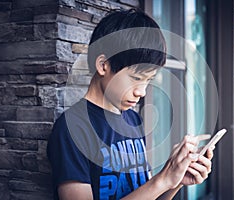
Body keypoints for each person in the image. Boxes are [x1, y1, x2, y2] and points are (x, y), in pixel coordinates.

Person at [47, 8, 214, 200]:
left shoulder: (133, 119)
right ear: (103, 65)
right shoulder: (72, 128)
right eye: (136, 78)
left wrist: (174, 180)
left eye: (148, 80)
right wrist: (162, 180)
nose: (141, 92)